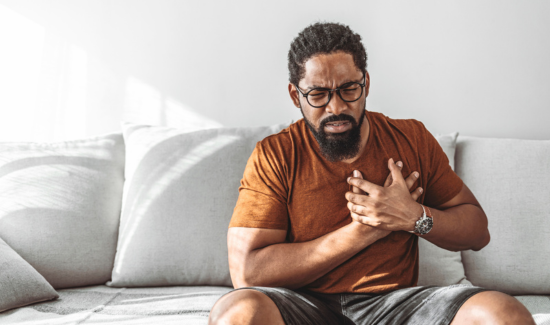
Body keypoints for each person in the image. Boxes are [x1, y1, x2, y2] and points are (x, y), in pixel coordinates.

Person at [208, 22, 535, 325]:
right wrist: (364, 230)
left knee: (503, 314)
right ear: (296, 96)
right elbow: (248, 273)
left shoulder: (411, 138)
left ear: (366, 84)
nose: (335, 108)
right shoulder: (276, 154)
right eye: (318, 95)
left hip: (396, 304)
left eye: (348, 89)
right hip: (302, 303)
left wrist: (413, 216)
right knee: (238, 312)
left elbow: (478, 232)